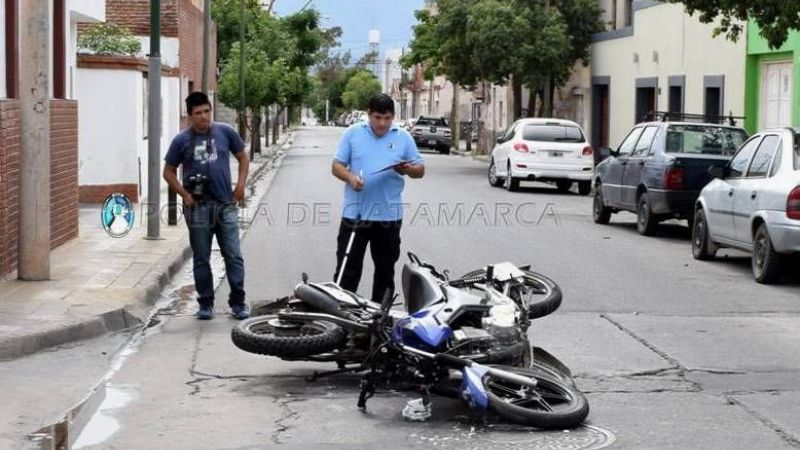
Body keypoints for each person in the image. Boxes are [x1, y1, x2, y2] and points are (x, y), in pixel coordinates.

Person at [163, 92, 251, 320]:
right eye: (198, 113)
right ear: (190, 115)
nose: (204, 116)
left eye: (206, 111)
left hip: (225, 205)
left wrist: (240, 186)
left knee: (233, 254)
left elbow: (243, 156)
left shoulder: (225, 132)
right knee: (201, 257)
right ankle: (205, 303)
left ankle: (238, 303)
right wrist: (185, 194)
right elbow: (168, 172)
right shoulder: (181, 140)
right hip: (198, 209)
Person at [331, 93, 425, 303]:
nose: (382, 123)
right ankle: (344, 322)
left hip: (388, 217)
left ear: (393, 116)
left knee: (384, 272)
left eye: (387, 118)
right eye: (377, 118)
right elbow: (336, 166)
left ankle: (377, 323)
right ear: (369, 114)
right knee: (348, 270)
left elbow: (420, 170)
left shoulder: (403, 137)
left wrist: (409, 169)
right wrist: (351, 177)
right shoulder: (353, 133)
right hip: (355, 213)